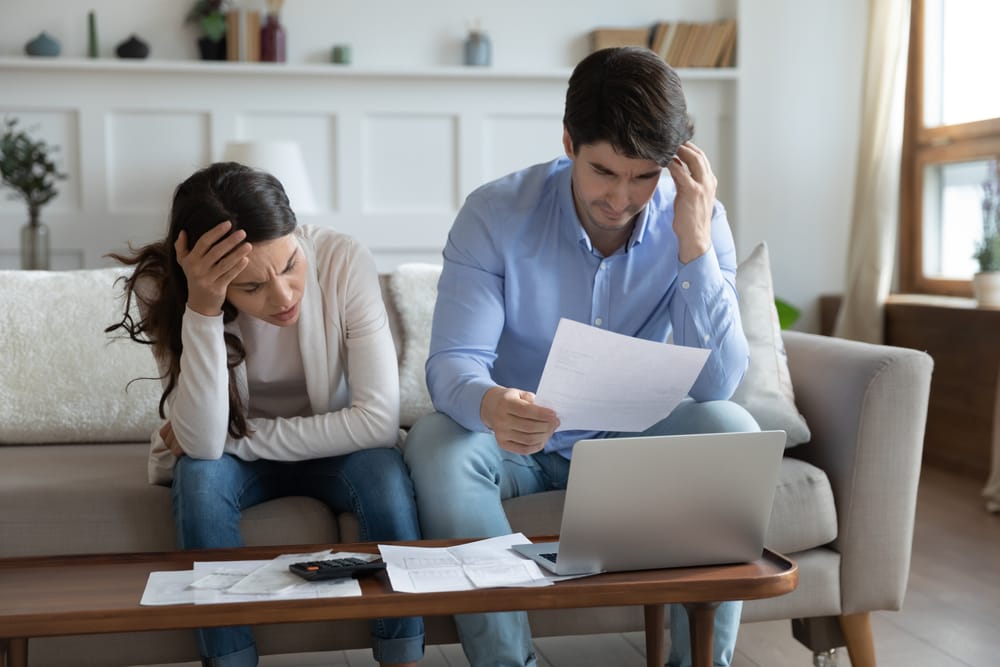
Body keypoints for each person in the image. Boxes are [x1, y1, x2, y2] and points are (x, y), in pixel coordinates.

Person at [402, 46, 759, 667]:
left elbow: (718, 386)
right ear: (569, 142)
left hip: (635, 437)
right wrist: (490, 401)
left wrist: (695, 247)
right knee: (437, 444)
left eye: (646, 175)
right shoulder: (495, 214)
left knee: (733, 429)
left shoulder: (698, 219)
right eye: (604, 171)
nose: (623, 198)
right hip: (520, 441)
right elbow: (452, 362)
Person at [107, 162, 424, 667]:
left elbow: (377, 423)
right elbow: (205, 449)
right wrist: (204, 308)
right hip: (257, 453)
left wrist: (237, 439)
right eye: (251, 287)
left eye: (290, 265)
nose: (282, 297)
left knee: (384, 475)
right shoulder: (169, 291)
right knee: (200, 480)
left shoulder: (343, 259)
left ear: (296, 233)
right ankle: (230, 659)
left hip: (337, 449)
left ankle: (403, 655)